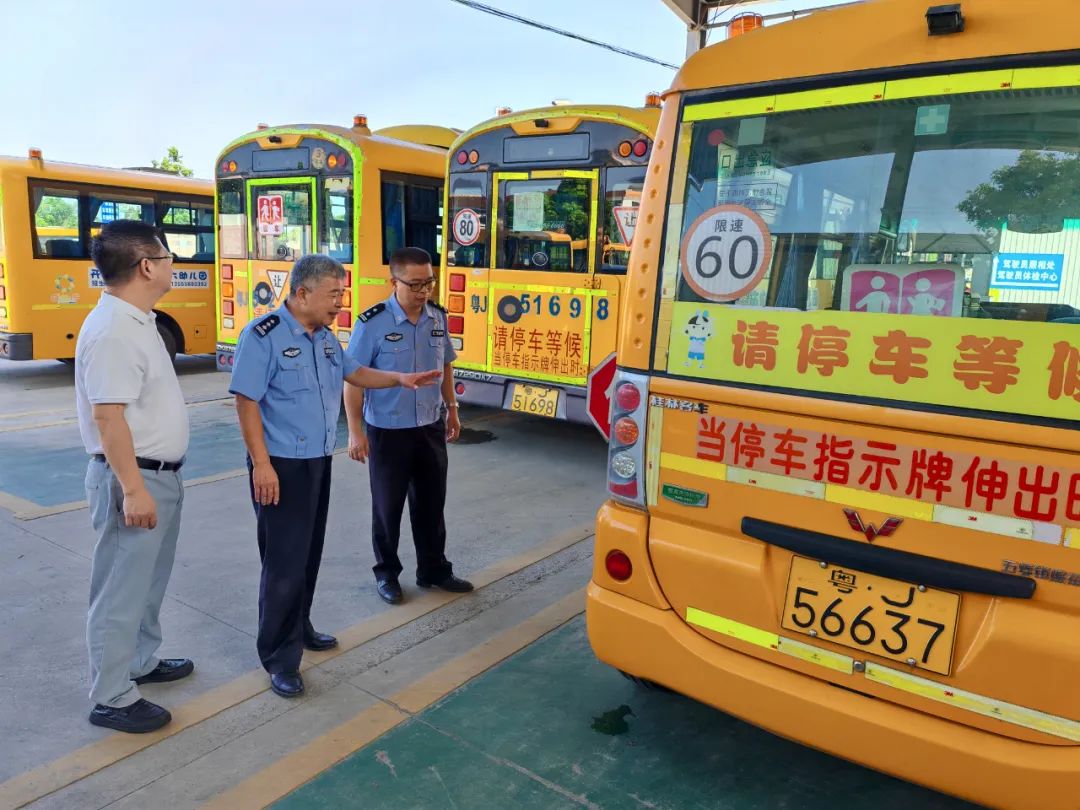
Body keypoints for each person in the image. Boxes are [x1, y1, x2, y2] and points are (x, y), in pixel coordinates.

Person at [229, 254, 439, 699]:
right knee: (283, 563)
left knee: (307, 555)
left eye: (341, 294)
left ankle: (299, 626)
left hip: (317, 461)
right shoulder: (263, 335)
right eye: (333, 295)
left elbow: (355, 372)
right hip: (280, 465)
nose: (340, 302)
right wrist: (261, 464)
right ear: (302, 293)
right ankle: (279, 657)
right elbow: (246, 402)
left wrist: (399, 379)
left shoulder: (325, 337)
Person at [75, 221, 192, 734]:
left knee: (146, 584)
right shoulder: (114, 331)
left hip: (157, 476)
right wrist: (134, 489)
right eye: (167, 257)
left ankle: (140, 661)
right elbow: (108, 418)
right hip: (134, 479)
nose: (172, 265)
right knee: (120, 592)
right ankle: (111, 695)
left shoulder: (138, 320)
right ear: (147, 266)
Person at [344, 246, 473, 605]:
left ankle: (433, 569)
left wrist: (452, 409)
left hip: (429, 426)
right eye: (415, 284)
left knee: (432, 504)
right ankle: (387, 573)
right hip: (388, 431)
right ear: (394, 282)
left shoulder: (437, 317)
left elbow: (445, 366)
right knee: (388, 509)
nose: (423, 291)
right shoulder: (372, 323)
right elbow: (353, 379)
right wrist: (355, 431)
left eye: (428, 283)